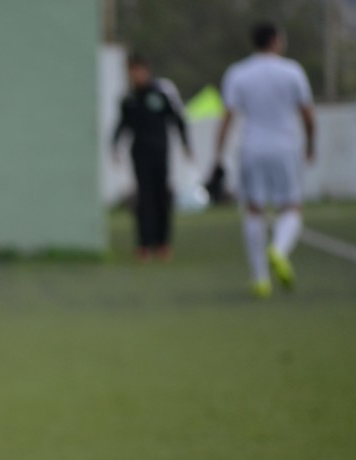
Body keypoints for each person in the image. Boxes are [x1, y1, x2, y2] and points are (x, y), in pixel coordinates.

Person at [215, 22, 315, 298]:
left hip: (252, 148)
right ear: (275, 41)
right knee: (291, 208)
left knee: (254, 211)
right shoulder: (292, 71)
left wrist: (218, 154)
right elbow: (308, 114)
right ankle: (279, 250)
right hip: (284, 147)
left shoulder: (238, 72)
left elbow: (228, 117)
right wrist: (311, 144)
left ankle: (260, 279)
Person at [112, 53, 192, 261]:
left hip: (160, 151)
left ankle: (162, 243)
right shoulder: (129, 99)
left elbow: (177, 119)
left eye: (139, 70)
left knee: (161, 196)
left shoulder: (161, 93)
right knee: (144, 198)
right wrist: (114, 147)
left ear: (146, 70)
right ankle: (144, 244)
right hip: (140, 153)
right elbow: (122, 125)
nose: (136, 75)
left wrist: (186, 144)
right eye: (132, 71)